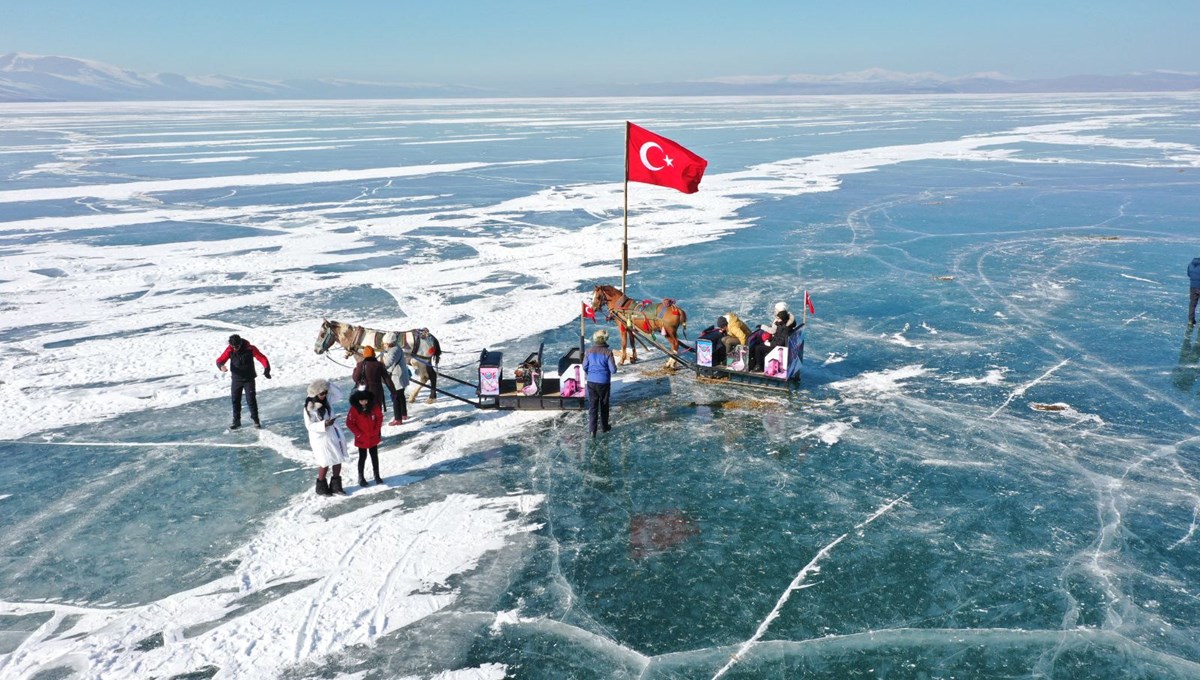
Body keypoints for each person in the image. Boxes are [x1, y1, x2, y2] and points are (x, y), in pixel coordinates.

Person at [216, 334, 270, 430]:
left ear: (240, 343)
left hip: (249, 379)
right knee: (235, 400)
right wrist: (221, 366)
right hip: (236, 379)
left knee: (251, 400)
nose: (235, 348)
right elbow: (220, 360)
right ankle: (236, 421)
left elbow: (262, 358)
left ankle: (256, 420)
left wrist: (267, 368)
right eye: (233, 347)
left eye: (236, 346)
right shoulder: (230, 350)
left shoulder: (250, 348)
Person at [304, 379, 349, 496]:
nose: (324, 395)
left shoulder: (327, 400)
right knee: (325, 462)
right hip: (321, 439)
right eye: (321, 393)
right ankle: (321, 488)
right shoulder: (309, 407)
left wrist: (327, 384)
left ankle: (336, 487)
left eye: (325, 392)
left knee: (338, 459)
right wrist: (324, 424)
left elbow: (339, 394)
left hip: (333, 435)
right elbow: (309, 426)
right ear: (315, 394)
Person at [583, 329, 618, 438]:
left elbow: (584, 366)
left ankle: (592, 430)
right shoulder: (608, 352)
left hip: (591, 382)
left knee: (593, 406)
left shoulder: (588, 351)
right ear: (605, 340)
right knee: (604, 405)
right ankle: (604, 427)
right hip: (604, 383)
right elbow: (613, 370)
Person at [346, 390, 384, 486]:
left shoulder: (374, 407)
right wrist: (358, 434)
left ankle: (377, 475)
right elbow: (349, 423)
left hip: (373, 436)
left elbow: (379, 418)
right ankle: (361, 477)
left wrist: (376, 430)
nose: (363, 403)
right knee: (362, 457)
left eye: (365, 400)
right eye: (361, 401)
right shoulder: (354, 409)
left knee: (374, 456)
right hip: (362, 438)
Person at [352, 345, 397, 422]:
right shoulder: (379, 365)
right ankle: (378, 432)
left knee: (367, 415)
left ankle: (369, 432)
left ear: (364, 355)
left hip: (365, 393)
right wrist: (393, 392)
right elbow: (387, 379)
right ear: (374, 354)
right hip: (377, 393)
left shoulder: (361, 365)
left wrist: (355, 370)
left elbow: (355, 378)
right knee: (377, 414)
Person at [751, 303, 799, 372]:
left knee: (758, 348)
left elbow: (781, 341)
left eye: (778, 318)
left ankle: (760, 366)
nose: (777, 319)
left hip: (780, 348)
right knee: (761, 345)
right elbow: (778, 335)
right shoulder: (783, 323)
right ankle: (761, 363)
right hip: (778, 343)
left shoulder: (785, 328)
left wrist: (770, 344)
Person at [380, 333, 410, 426]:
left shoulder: (393, 351)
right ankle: (404, 414)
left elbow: (388, 363)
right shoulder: (397, 347)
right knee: (401, 396)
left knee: (395, 397)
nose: (384, 345)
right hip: (402, 375)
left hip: (397, 377)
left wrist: (378, 366)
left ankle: (398, 419)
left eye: (385, 343)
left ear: (389, 344)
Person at [1189, 256, 1200, 326]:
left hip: (1193, 286)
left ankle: (1191, 320)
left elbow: (1189, 274)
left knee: (1192, 304)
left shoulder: (1190, 264)